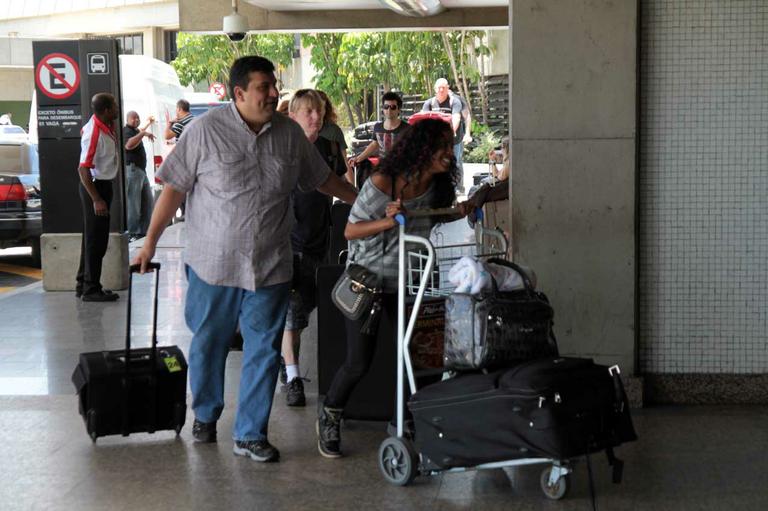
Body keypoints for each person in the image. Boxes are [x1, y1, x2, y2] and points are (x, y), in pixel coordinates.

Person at [132, 56, 357, 463]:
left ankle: (250, 433)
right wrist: (150, 241)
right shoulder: (204, 132)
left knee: (264, 350)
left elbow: (323, 180)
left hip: (270, 264)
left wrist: (364, 202)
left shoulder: (290, 135)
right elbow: (174, 190)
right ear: (239, 94)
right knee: (209, 344)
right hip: (212, 265)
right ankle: (205, 413)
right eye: (263, 88)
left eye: (274, 86)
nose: (274, 94)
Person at [316, 118, 470, 459]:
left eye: (449, 145)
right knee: (358, 361)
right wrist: (388, 219)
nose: (449, 152)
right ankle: (330, 416)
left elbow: (431, 216)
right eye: (442, 146)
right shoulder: (385, 181)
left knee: (417, 357)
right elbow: (351, 231)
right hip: (368, 281)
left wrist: (460, 211)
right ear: (422, 149)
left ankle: (404, 419)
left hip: (412, 280)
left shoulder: (439, 184)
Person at [280, 89, 349, 407]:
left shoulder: (329, 147)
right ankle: (292, 375)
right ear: (292, 115)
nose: (315, 116)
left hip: (320, 241)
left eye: (319, 111)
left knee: (305, 310)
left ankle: (286, 361)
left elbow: (338, 184)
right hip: (285, 246)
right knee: (292, 314)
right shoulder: (279, 151)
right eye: (308, 111)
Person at [75, 93, 120, 302]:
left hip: (102, 185)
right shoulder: (94, 132)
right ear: (106, 110)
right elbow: (83, 170)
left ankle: (83, 283)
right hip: (94, 187)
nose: (117, 108)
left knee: (91, 237)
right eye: (114, 106)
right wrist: (97, 199)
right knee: (97, 241)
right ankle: (91, 289)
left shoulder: (105, 126)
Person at [349, 92, 408, 186]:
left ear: (398, 109)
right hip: (383, 170)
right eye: (386, 106)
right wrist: (358, 158)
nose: (389, 110)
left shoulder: (407, 128)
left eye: (393, 107)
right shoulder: (378, 127)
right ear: (383, 109)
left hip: (402, 171)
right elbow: (374, 144)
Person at [421, 78, 467, 193]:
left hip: (454, 139)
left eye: (444, 87)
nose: (441, 90)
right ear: (435, 89)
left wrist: (450, 133)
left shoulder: (454, 101)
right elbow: (423, 120)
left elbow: (456, 117)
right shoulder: (429, 103)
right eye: (439, 88)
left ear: (448, 88)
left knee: (455, 162)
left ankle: (458, 188)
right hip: (436, 140)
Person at [123, 111, 155, 240]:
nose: (136, 119)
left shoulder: (135, 130)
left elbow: (140, 130)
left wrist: (146, 126)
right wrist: (143, 133)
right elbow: (128, 145)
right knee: (134, 204)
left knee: (147, 202)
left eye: (138, 117)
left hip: (141, 171)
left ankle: (143, 232)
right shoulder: (126, 131)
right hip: (133, 170)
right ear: (127, 120)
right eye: (133, 118)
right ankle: (132, 233)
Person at [316, 90, 353, 183]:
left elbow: (344, 162)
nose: (317, 113)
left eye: (321, 108)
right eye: (313, 108)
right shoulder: (297, 129)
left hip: (328, 181)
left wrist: (354, 189)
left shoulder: (333, 131)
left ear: (326, 109)